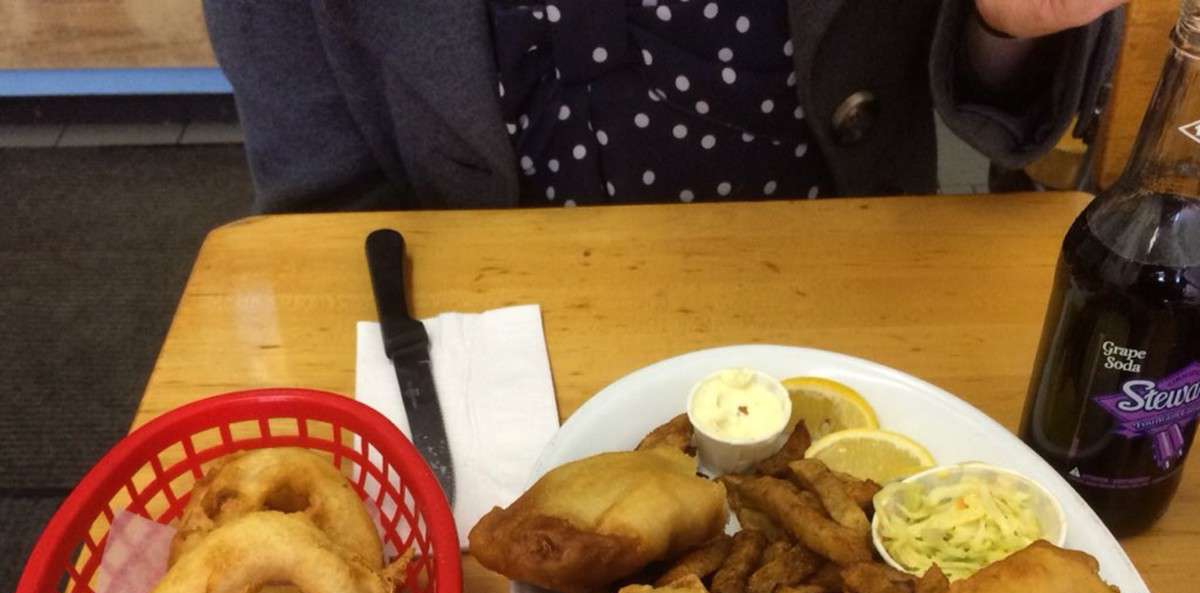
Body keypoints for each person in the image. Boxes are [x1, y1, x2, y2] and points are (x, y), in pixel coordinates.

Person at [203, 0, 1125, 214]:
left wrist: (1007, 28)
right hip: (477, 326)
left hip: (838, 284)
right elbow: (320, 218)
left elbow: (997, 99)